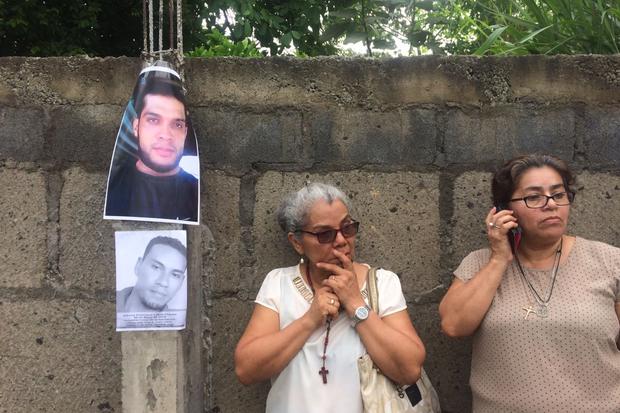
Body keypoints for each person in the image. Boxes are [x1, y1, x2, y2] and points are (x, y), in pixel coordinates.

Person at [439, 154, 620, 413]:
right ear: (504, 210)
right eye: (533, 197)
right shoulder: (480, 264)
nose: (551, 205)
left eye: (559, 194)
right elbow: (453, 325)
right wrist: (500, 257)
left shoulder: (610, 262)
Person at [234, 182, 425, 412]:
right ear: (297, 243)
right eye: (325, 234)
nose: (341, 241)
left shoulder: (383, 283)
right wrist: (309, 319)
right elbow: (246, 369)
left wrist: (356, 304)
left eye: (347, 228)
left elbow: (410, 369)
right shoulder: (279, 283)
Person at [105, 73, 198, 222]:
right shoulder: (115, 187)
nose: (166, 135)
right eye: (153, 120)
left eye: (177, 124)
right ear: (136, 127)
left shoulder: (197, 192)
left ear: (185, 133)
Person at [116, 236, 187, 312]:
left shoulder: (181, 321)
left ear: (181, 282)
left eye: (175, 275)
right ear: (138, 266)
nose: (163, 282)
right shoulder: (105, 301)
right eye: (156, 267)